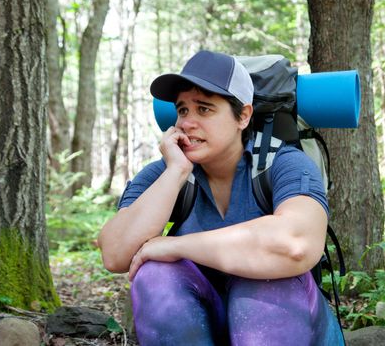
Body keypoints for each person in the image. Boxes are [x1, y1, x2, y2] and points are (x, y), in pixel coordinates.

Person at [98, 50, 345, 345]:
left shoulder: (283, 164)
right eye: (182, 110)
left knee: (260, 288)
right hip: (212, 324)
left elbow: (295, 244)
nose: (187, 123)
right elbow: (114, 253)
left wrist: (176, 246)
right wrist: (176, 171)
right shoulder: (167, 172)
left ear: (243, 116)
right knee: (155, 277)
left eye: (204, 109)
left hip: (292, 325)